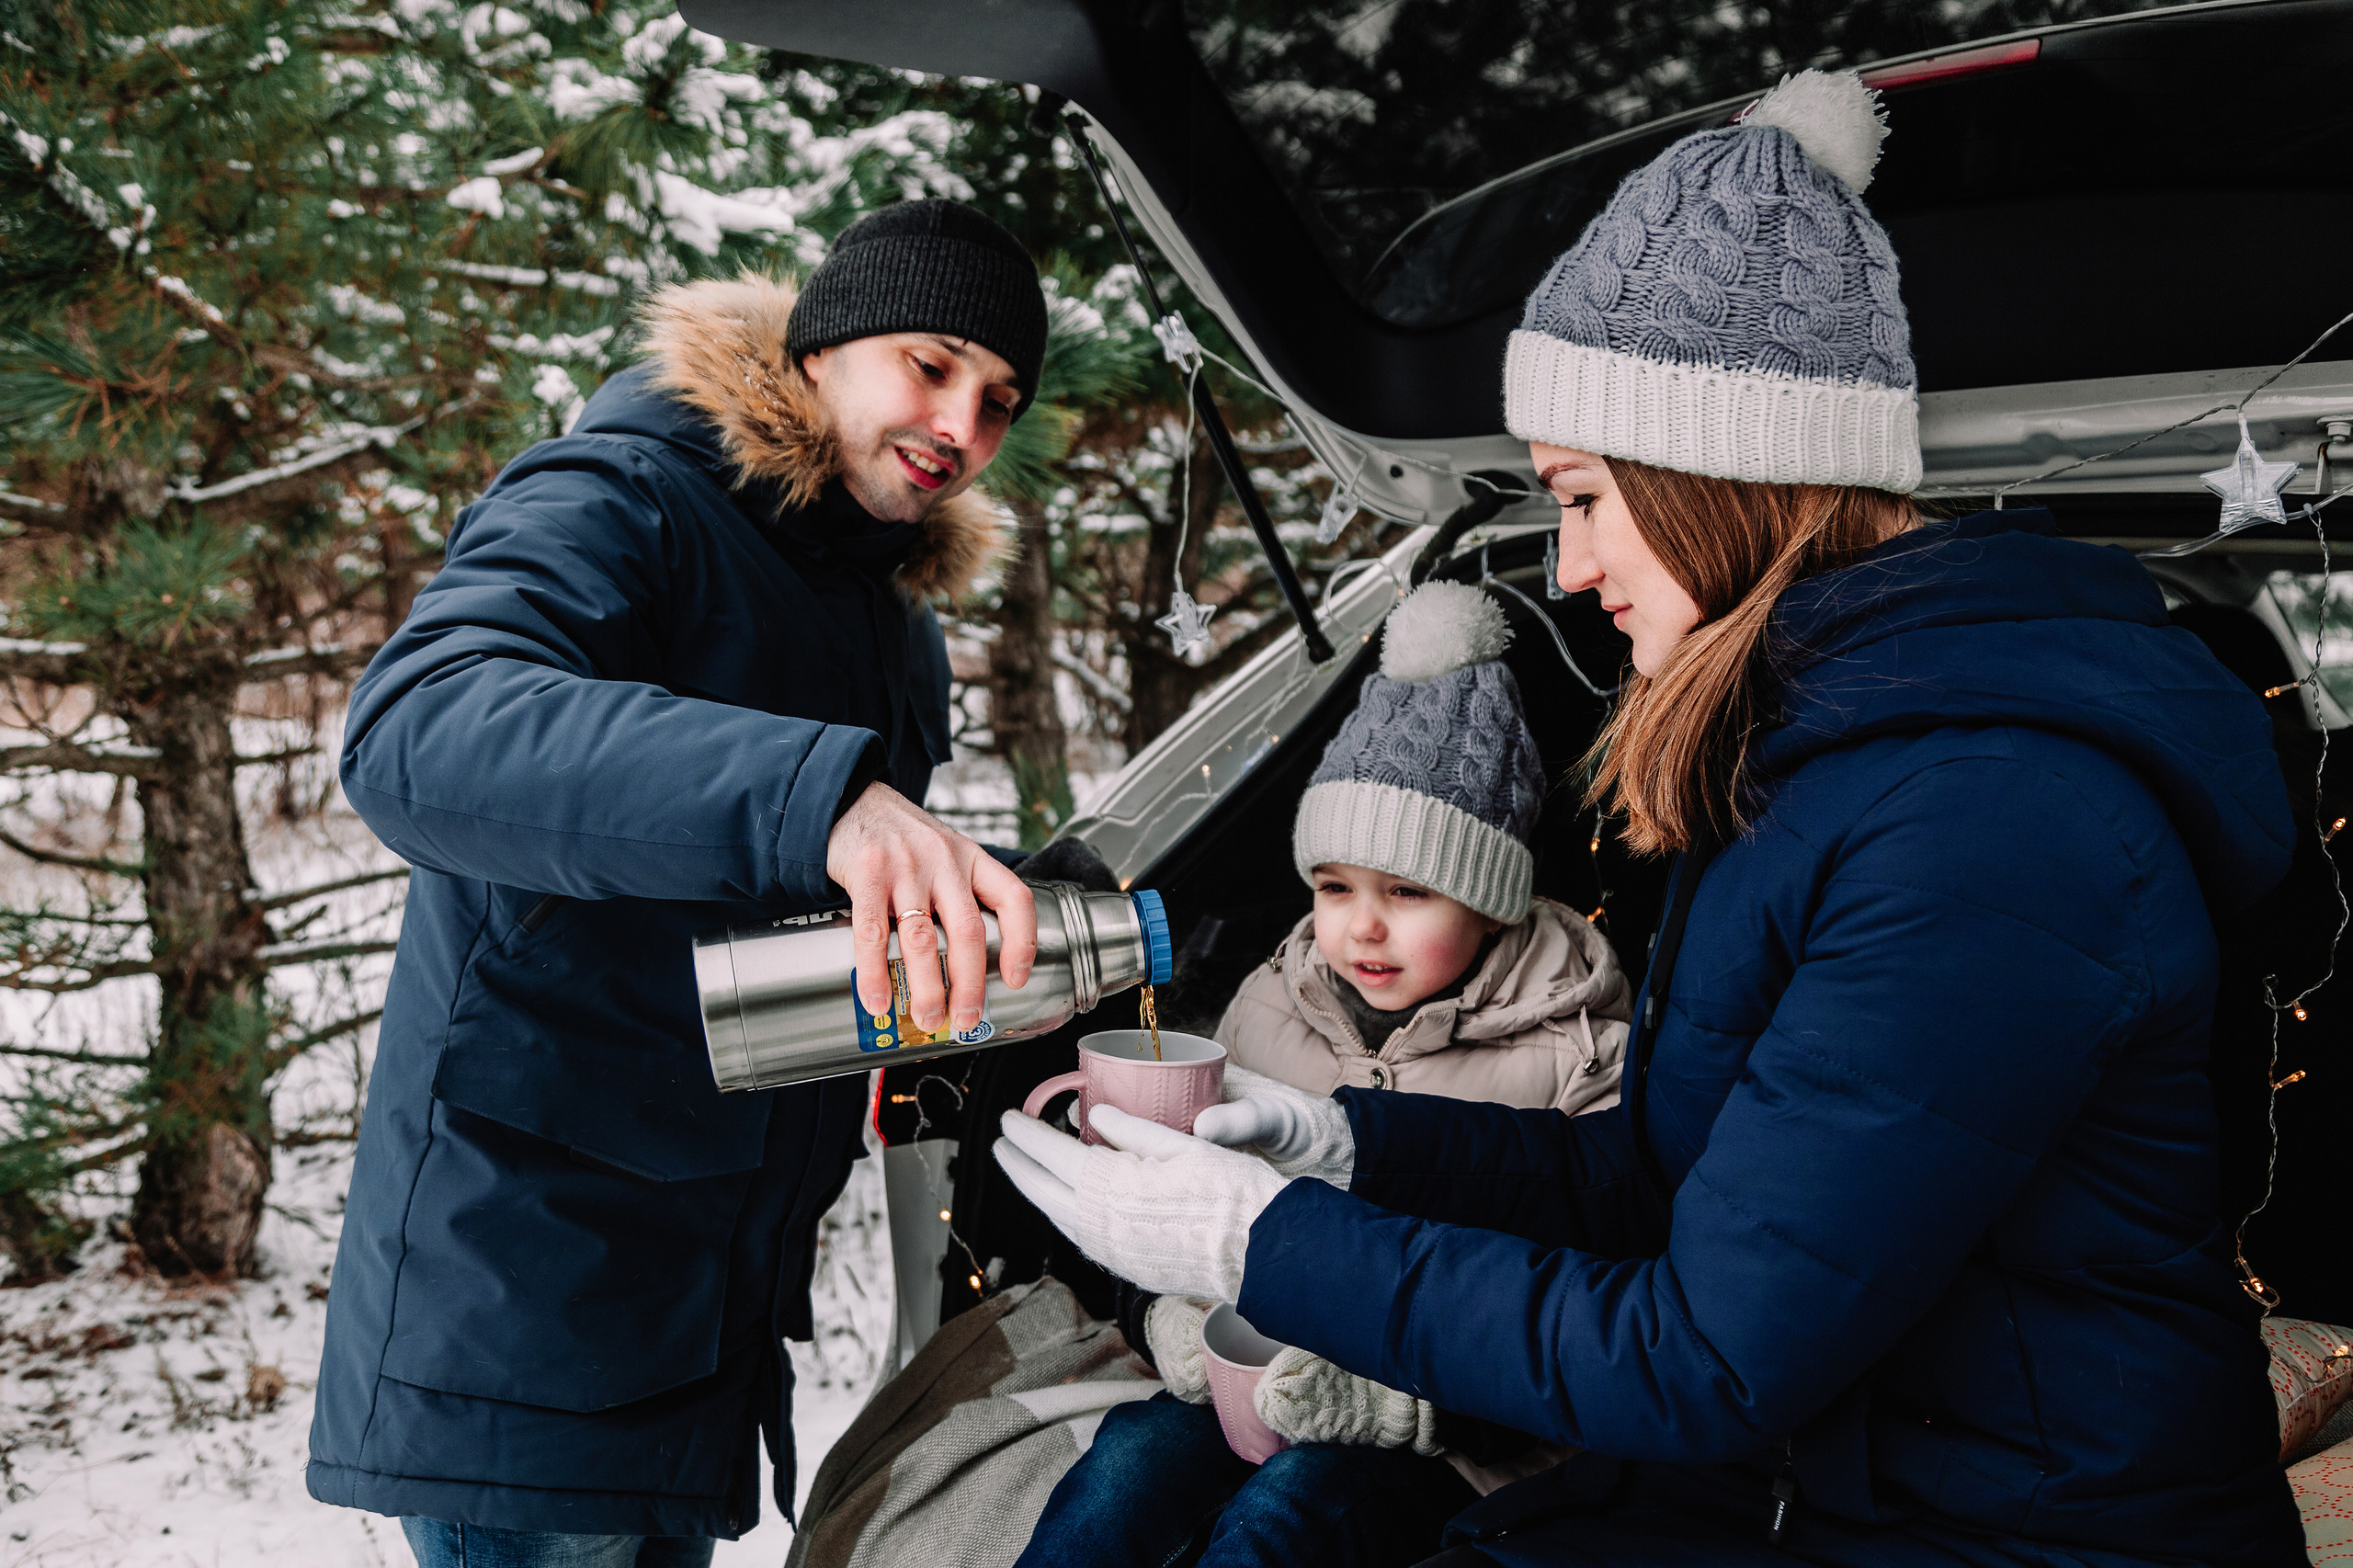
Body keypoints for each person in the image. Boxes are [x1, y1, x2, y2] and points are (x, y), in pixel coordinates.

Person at [995, 69, 2308, 1566]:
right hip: (1801, 1493)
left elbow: (1707, 1353)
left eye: (1584, 497)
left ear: (1716, 474)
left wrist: (1258, 1244)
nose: (1564, 566)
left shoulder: (1988, 831)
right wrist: (1344, 1146)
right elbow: (1662, 1185)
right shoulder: (1811, 773)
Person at [309, 199, 1053, 1568]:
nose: (964, 424)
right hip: (530, 1292)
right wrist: (818, 796)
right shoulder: (625, 494)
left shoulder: (884, 617)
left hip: (699, 1305)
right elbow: (420, 726)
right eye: (933, 363)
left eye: (1001, 399)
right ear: (823, 345)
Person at [1014, 581, 1633, 1568]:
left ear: (1493, 900)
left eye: (1409, 890)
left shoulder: (1577, 1042)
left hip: (1457, 1442)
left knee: (1290, 1516)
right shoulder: (1273, 998)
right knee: (1121, 1474)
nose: (1361, 925)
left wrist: (1406, 1404)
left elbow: (1606, 1301)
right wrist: (1163, 1314)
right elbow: (1174, 1210)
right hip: (1258, 1374)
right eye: (1334, 886)